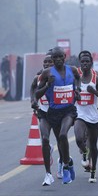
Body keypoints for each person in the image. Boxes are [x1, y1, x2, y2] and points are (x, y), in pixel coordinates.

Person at [35, 46, 81, 184]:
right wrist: (47, 86)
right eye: (55, 58)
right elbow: (36, 93)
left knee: (62, 135)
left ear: (64, 57)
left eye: (60, 56)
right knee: (50, 140)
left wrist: (77, 89)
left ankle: (65, 167)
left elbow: (77, 78)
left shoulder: (72, 70)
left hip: (68, 110)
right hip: (51, 112)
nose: (58, 59)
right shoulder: (46, 74)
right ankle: (64, 164)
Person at [74, 51, 98, 183]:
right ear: (80, 63)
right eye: (82, 62)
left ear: (91, 63)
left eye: (87, 62)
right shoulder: (75, 78)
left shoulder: (97, 79)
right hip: (80, 113)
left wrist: (94, 92)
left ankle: (93, 172)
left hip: (93, 116)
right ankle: (84, 152)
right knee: (78, 139)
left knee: (93, 146)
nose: (84, 64)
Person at [30, 54, 63, 185]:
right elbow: (33, 90)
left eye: (50, 62)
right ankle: (48, 174)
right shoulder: (38, 78)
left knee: (61, 139)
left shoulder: (60, 78)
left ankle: (62, 163)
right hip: (43, 113)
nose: (47, 64)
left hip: (57, 113)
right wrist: (33, 101)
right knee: (44, 139)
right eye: (45, 62)